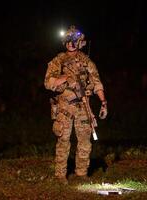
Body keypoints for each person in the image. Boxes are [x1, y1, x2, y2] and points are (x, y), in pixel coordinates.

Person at [44, 25, 108, 184]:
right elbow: (48, 82)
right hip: (65, 107)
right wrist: (66, 78)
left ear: (80, 42)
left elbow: (97, 83)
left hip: (83, 106)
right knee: (63, 140)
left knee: (85, 141)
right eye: (68, 41)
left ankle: (81, 173)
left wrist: (103, 102)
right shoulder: (59, 60)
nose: (71, 44)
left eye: (74, 41)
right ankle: (60, 175)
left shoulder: (87, 62)